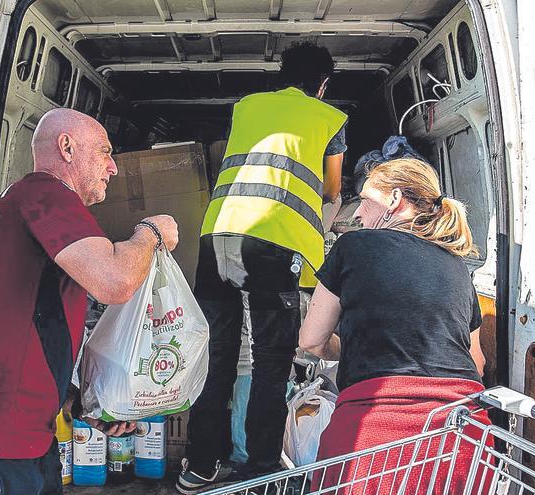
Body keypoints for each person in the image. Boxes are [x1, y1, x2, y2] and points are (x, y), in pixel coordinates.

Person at [0, 108, 179, 495]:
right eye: (105, 152)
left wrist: (76, 402)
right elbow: (115, 281)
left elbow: (24, 328)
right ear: (67, 148)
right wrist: (151, 233)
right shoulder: (46, 193)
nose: (113, 168)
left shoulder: (27, 204)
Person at [178, 42, 348, 494]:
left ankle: (199, 465)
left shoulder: (247, 107)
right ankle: (259, 474)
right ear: (322, 85)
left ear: (282, 75)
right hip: (274, 240)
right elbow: (332, 190)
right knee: (272, 362)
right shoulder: (328, 118)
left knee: (217, 356)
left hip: (218, 235)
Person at [298, 158, 490, 494]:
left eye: (365, 200)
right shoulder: (458, 267)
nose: (358, 214)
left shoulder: (353, 246)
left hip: (376, 439)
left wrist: (352, 345)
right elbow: (477, 363)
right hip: (463, 438)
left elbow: (311, 341)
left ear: (394, 199)